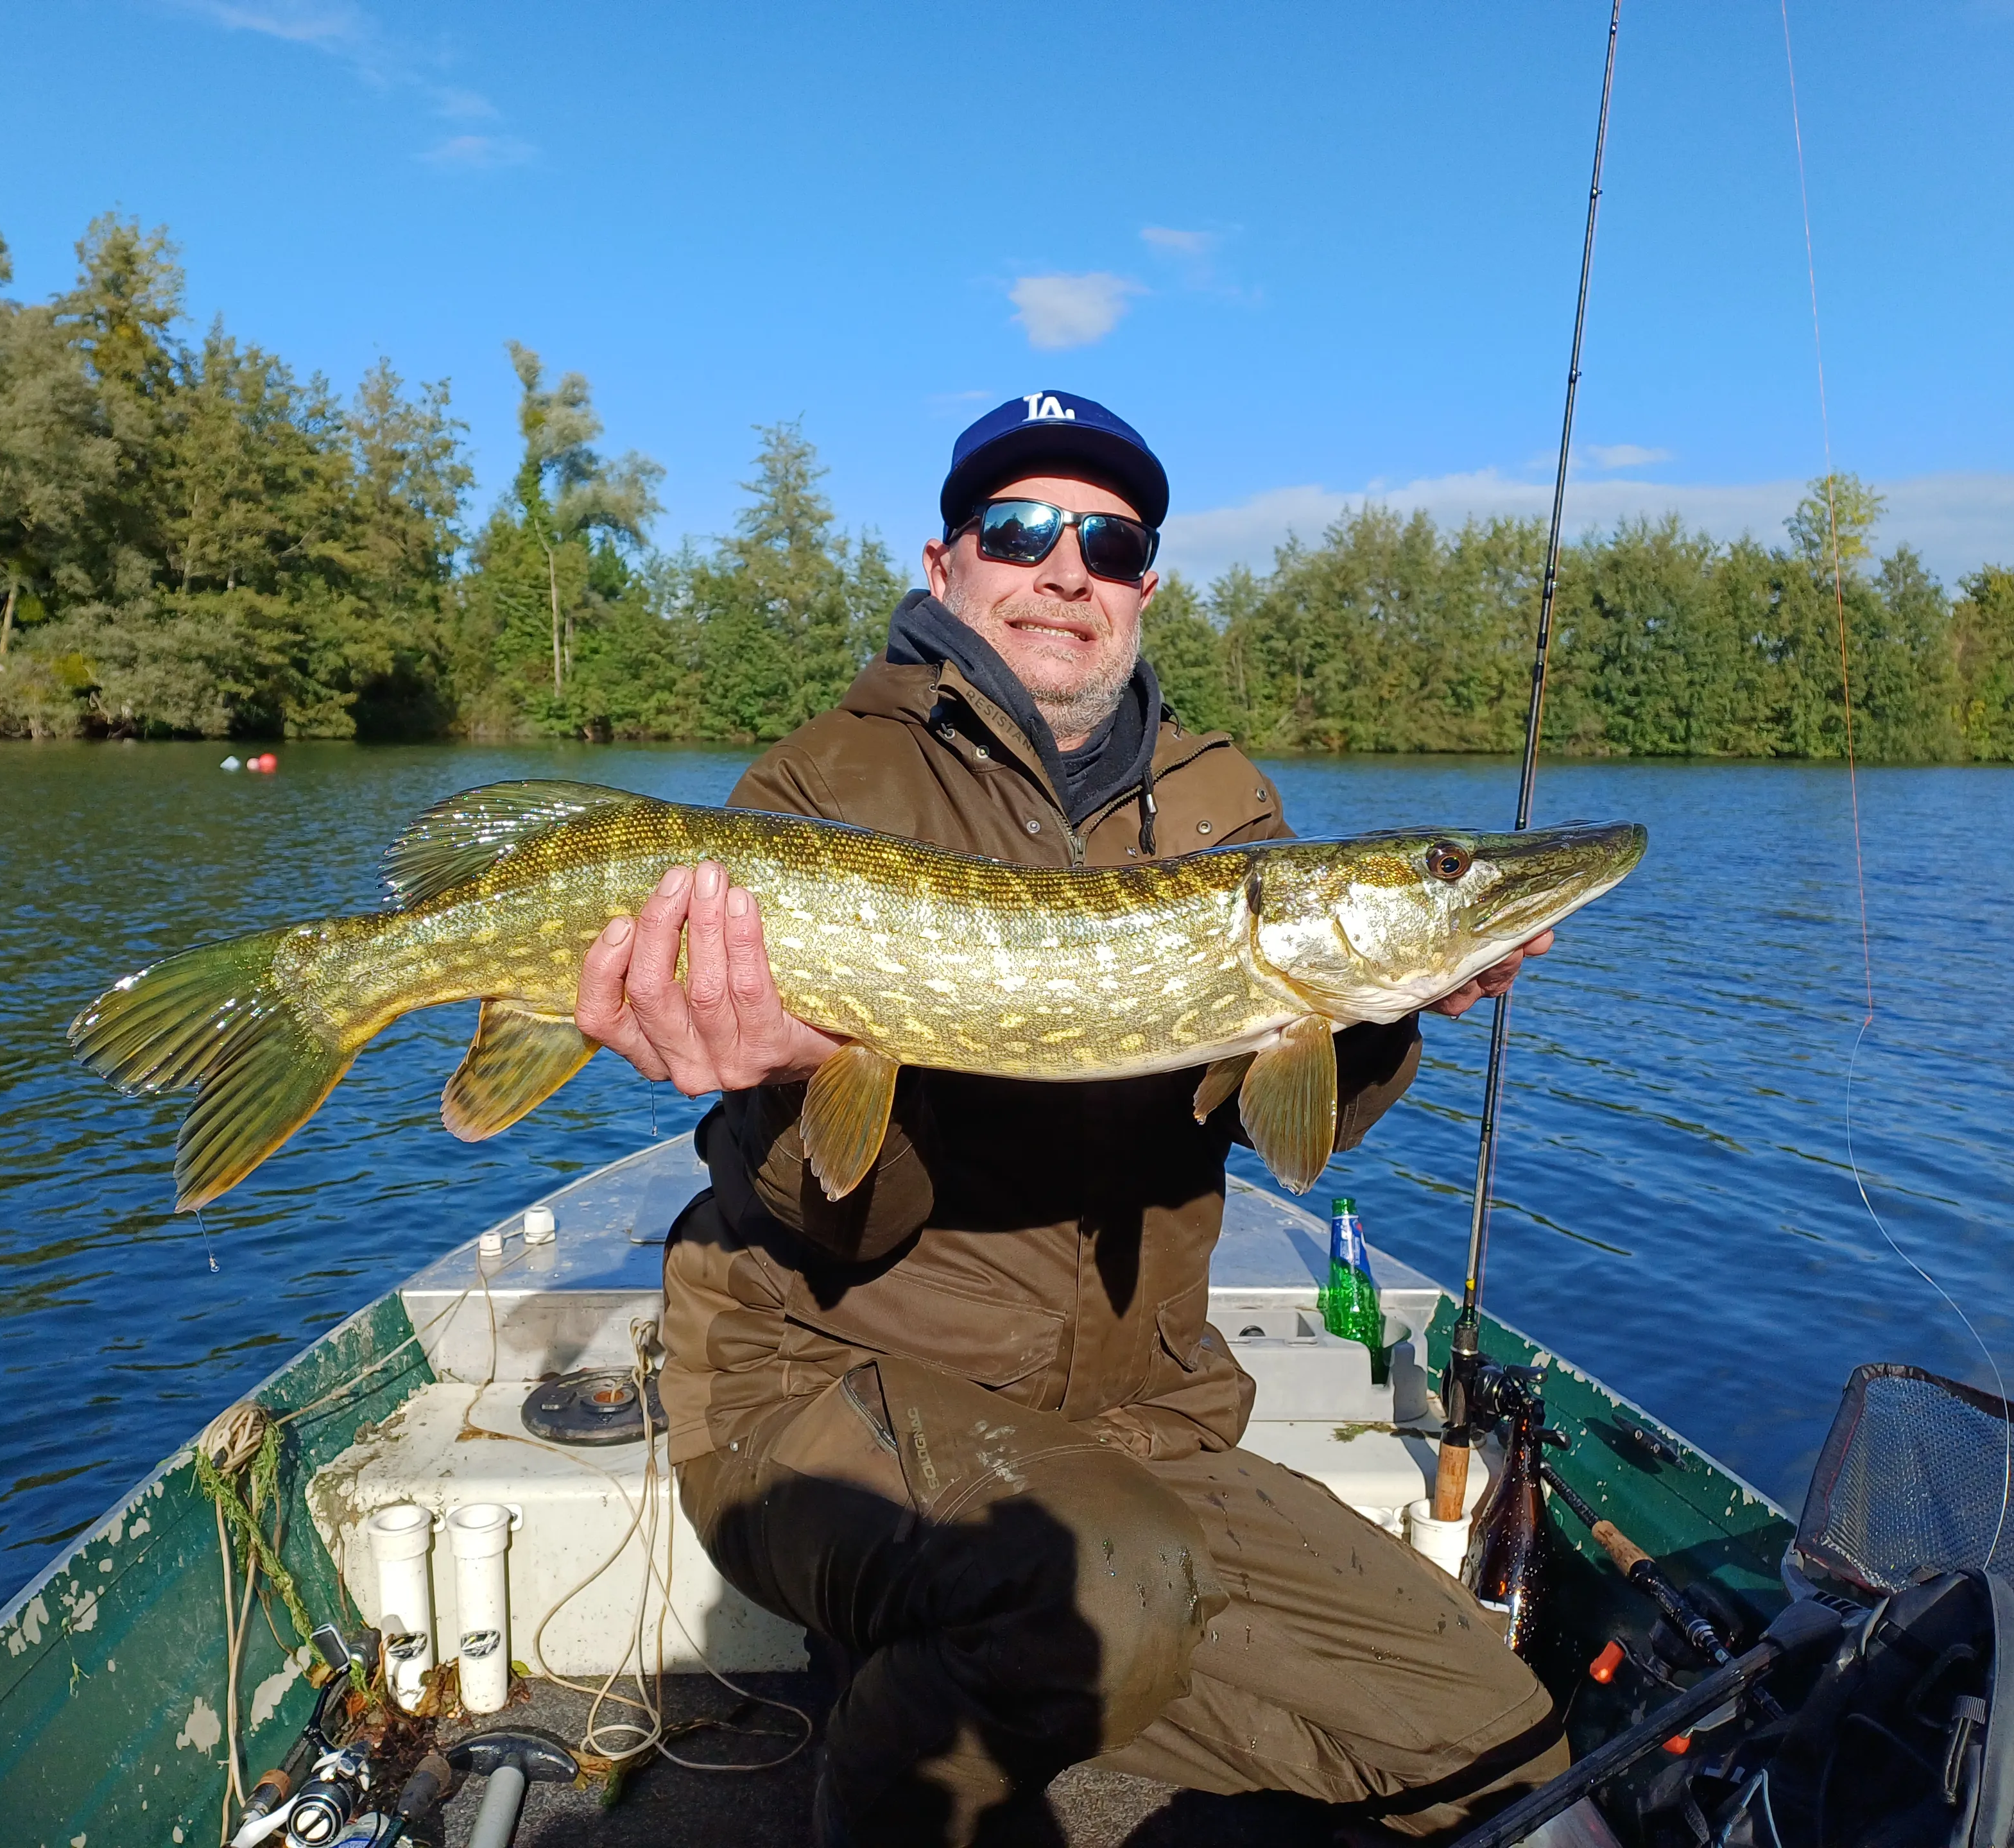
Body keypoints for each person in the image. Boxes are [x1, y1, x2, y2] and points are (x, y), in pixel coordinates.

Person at [574, 392, 1567, 1845]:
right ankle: (897, 1767)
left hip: (1136, 1426)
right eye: (1022, 529)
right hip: (823, 1388)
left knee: (1505, 1756)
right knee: (1097, 1584)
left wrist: (1396, 994)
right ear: (945, 563)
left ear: (1144, 588)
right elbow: (830, 1211)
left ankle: (1019, 1642)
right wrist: (787, 1078)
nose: (1066, 569)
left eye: (1109, 541)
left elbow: (1294, 1122)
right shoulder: (826, 785)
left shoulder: (1225, 805)